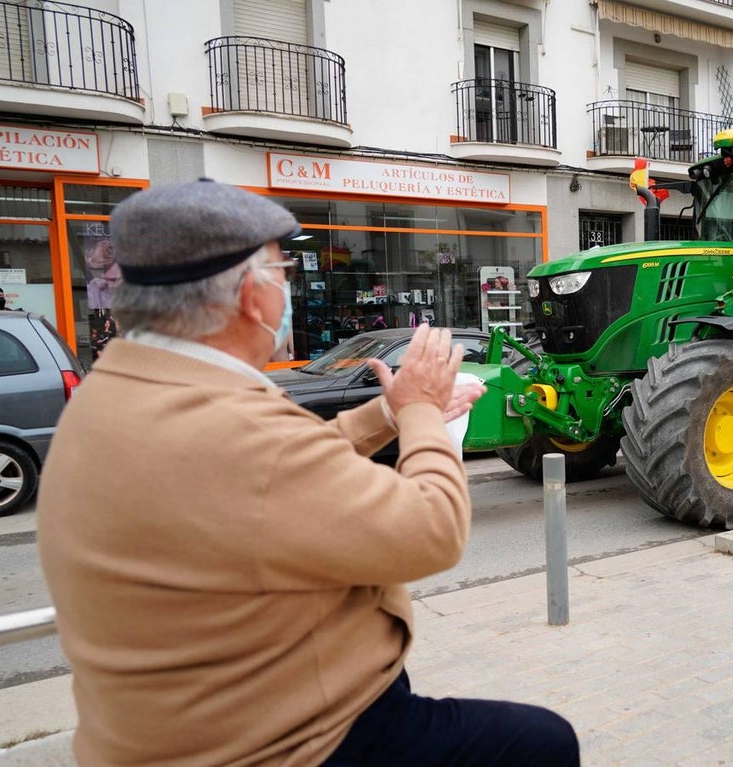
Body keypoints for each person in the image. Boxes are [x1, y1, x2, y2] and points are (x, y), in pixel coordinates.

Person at [37, 179, 580, 767]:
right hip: (288, 740)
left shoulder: (120, 394)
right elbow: (433, 530)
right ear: (252, 296)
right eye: (284, 274)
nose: (288, 292)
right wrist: (424, 412)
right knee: (542, 743)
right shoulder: (230, 423)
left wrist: (388, 413)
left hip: (171, 726)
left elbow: (283, 465)